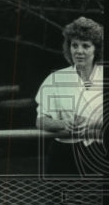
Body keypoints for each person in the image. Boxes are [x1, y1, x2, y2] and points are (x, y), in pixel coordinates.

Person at [35, 17, 104, 175]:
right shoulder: (55, 79)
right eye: (74, 45)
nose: (79, 51)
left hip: (101, 152)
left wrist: (92, 123)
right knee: (61, 200)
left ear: (96, 49)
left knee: (97, 199)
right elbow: (40, 120)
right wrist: (63, 124)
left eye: (85, 46)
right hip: (63, 156)